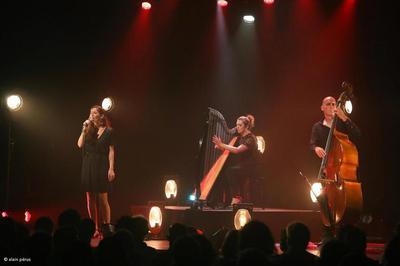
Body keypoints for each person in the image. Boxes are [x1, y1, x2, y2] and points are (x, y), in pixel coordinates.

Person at [309, 96, 361, 241]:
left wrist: (344, 117)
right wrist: (316, 148)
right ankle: (327, 235)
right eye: (328, 104)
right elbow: (312, 144)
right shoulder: (317, 127)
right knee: (324, 202)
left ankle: (345, 235)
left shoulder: (342, 125)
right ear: (322, 107)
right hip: (327, 170)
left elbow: (358, 135)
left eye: (333, 104)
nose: (332, 106)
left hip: (341, 174)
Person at [77, 105, 115, 236]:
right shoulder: (88, 129)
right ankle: (94, 228)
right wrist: (83, 129)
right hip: (88, 164)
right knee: (90, 198)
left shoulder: (108, 131)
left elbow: (111, 151)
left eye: (94, 113)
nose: (92, 115)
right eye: (90, 113)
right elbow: (79, 144)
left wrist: (111, 168)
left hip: (102, 165)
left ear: (101, 115)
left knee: (103, 198)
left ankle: (106, 227)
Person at [213, 115, 258, 205]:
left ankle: (236, 197)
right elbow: (232, 150)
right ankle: (225, 200)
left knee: (230, 171)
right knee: (225, 171)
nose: (237, 127)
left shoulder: (250, 138)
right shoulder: (241, 137)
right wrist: (221, 147)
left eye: (240, 125)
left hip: (250, 166)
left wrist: (222, 144)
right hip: (242, 165)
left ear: (246, 126)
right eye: (237, 125)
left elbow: (237, 150)